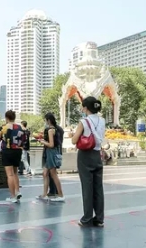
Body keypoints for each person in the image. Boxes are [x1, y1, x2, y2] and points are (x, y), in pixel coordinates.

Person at [71, 96, 106, 227]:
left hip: (85, 156)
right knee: (98, 188)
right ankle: (99, 218)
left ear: (86, 108)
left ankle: (86, 218)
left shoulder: (84, 122)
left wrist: (74, 135)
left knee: (87, 188)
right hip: (97, 154)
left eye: (82, 106)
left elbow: (74, 140)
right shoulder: (102, 121)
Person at [0, 110, 26, 203]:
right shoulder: (20, 127)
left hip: (7, 151)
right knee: (15, 173)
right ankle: (17, 191)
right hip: (17, 151)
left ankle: (12, 196)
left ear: (6, 118)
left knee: (10, 174)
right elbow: (23, 139)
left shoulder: (3, 127)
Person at [40, 113, 65, 201]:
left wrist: (43, 142)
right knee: (45, 173)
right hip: (51, 153)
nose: (45, 122)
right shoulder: (56, 129)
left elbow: (51, 144)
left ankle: (61, 195)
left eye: (46, 120)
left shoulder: (51, 130)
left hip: (51, 153)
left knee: (53, 175)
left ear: (48, 120)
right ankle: (44, 194)